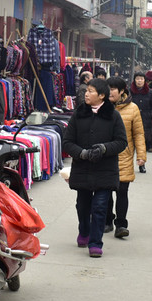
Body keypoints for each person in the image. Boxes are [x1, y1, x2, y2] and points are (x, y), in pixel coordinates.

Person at [61, 78, 127, 258]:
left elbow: (121, 142)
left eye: (90, 91)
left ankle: (96, 243)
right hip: (82, 169)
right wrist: (81, 153)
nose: (86, 94)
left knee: (99, 207)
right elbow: (67, 142)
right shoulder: (78, 114)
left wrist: (104, 149)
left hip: (105, 170)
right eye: (86, 91)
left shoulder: (113, 116)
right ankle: (84, 230)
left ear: (102, 95)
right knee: (82, 206)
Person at [105, 76, 145, 240]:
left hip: (124, 156)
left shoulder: (133, 109)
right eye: (108, 88)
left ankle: (121, 225)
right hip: (105, 155)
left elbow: (138, 133)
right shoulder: (101, 107)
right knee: (105, 191)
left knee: (122, 191)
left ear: (122, 91)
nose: (109, 92)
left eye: (113, 89)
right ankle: (107, 220)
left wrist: (141, 155)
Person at [128, 73, 152, 171]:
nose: (139, 81)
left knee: (142, 144)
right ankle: (128, 165)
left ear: (145, 81)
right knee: (129, 144)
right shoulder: (129, 91)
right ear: (134, 80)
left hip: (145, 121)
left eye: (141, 79)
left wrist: (151, 115)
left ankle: (142, 164)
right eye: (137, 79)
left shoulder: (150, 92)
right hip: (131, 120)